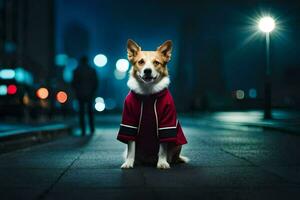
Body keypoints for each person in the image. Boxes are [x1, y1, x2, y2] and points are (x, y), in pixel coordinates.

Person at [72, 56, 98, 136]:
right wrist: (93, 92)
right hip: (89, 94)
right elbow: (96, 82)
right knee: (90, 112)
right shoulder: (92, 70)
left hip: (80, 94)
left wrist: (76, 92)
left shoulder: (76, 71)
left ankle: (83, 129)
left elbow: (74, 83)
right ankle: (92, 128)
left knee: (81, 113)